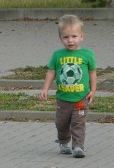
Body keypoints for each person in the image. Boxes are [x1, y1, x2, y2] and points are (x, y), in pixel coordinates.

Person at [39, 15, 97, 158]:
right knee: (61, 123)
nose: (70, 40)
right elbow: (51, 72)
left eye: (74, 36)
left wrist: (93, 90)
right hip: (63, 99)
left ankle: (78, 146)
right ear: (60, 38)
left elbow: (92, 74)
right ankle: (64, 143)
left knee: (78, 123)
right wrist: (45, 89)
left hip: (80, 98)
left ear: (82, 37)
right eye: (66, 37)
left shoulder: (87, 54)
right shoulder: (57, 55)